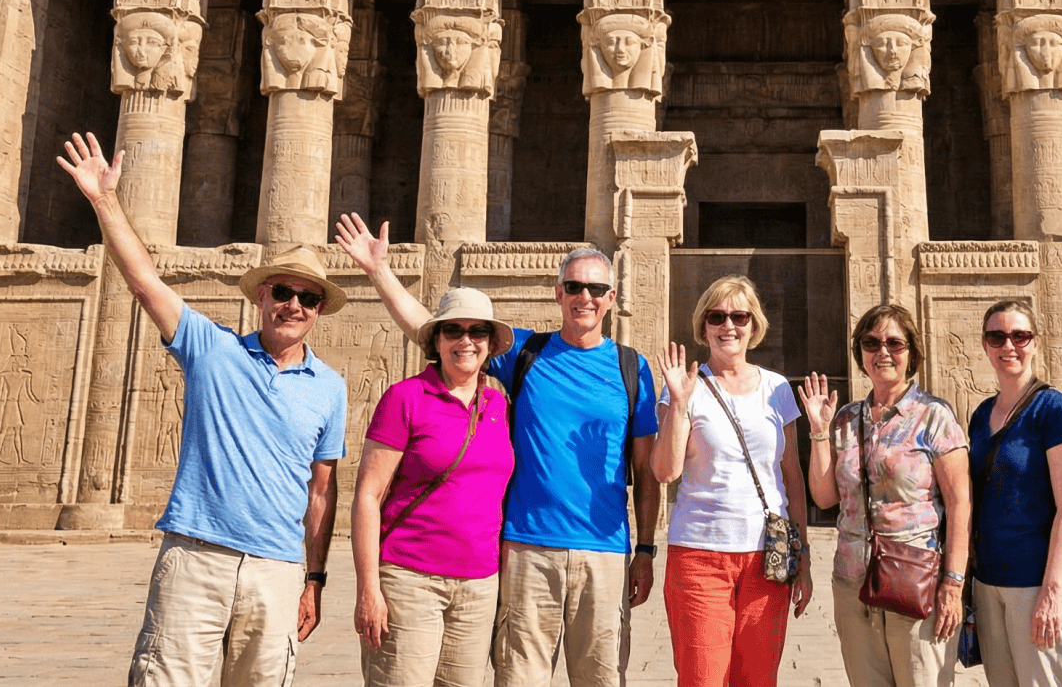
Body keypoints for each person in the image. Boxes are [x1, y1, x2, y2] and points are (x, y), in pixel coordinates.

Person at [58, 133, 347, 686]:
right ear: (260, 296)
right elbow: (144, 283)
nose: (294, 305)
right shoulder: (212, 350)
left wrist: (313, 578)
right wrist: (104, 201)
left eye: (308, 298)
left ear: (318, 311)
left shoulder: (329, 388)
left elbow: (321, 490)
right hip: (197, 557)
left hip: (277, 570)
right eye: (283, 292)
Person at [337, 215, 659, 687]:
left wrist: (647, 549)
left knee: (603, 678)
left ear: (612, 297)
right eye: (573, 286)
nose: (584, 297)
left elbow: (647, 471)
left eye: (595, 288)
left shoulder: (633, 367)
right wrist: (379, 272)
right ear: (558, 293)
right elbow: (434, 330)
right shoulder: (526, 353)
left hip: (604, 553)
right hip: (526, 549)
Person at [350, 287, 516, 687]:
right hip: (410, 579)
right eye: (453, 330)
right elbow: (368, 496)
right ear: (436, 340)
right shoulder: (405, 398)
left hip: (478, 585)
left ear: (490, 344)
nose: (466, 340)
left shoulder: (499, 406)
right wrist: (368, 589)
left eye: (477, 331)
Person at [653, 275, 812, 686]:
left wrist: (805, 557)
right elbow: (665, 471)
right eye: (717, 316)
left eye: (739, 316)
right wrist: (679, 405)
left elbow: (791, 476)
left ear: (754, 325)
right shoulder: (684, 388)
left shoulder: (777, 389)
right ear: (703, 326)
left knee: (758, 678)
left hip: (767, 557)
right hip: (699, 553)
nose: (729, 326)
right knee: (703, 677)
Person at [802, 305, 970, 687]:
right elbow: (825, 497)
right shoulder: (846, 418)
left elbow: (961, 504)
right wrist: (817, 432)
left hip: (916, 582)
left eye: (895, 342)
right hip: (853, 582)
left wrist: (953, 584)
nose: (883, 352)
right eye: (871, 342)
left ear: (911, 352)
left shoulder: (934, 417)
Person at [967, 299, 1062, 686]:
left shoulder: (1054, 410)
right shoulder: (981, 414)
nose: (1009, 346)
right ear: (986, 345)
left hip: (1041, 584)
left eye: (1019, 335)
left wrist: (1051, 593)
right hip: (990, 585)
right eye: (997, 336)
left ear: (1034, 342)